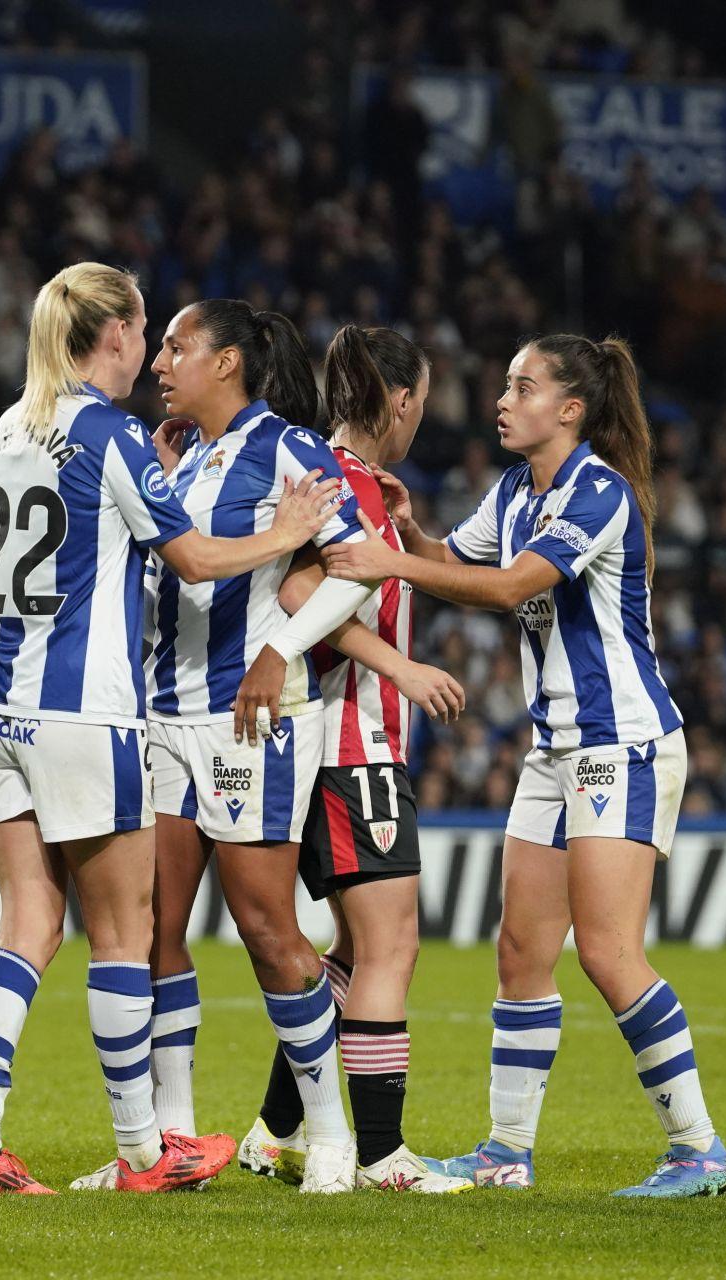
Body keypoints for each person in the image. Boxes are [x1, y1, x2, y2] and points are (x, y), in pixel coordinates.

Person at [0, 263, 344, 1194]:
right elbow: (196, 559)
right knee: (126, 934)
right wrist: (285, 535)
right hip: (87, 713)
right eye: (146, 332)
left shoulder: (10, 427)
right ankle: (142, 1155)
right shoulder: (112, 434)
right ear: (113, 335)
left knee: (26, 926)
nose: (152, 352)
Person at [322, 333, 726, 1198]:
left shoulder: (600, 492)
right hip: (555, 749)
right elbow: (459, 564)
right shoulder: (516, 491)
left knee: (612, 955)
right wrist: (413, 533)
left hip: (620, 740)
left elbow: (513, 587)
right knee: (520, 951)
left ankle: (699, 1150)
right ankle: (507, 1152)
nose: (502, 400)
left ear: (572, 409)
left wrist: (389, 558)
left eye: (523, 386)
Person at [139, 298, 442, 1196]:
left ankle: (333, 1138)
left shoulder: (292, 451)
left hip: (256, 720)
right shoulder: (186, 457)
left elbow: (352, 573)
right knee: (158, 930)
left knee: (269, 930)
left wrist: (276, 649)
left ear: (227, 362)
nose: (160, 362)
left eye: (176, 347)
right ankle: (173, 1144)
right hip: (168, 713)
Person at [234, 325, 471, 1193]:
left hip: (335, 745)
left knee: (347, 952)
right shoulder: (345, 484)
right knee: (390, 945)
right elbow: (302, 589)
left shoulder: (347, 480)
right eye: (424, 398)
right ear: (402, 400)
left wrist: (411, 532)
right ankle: (381, 1155)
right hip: (348, 742)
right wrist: (401, 665)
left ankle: (272, 1130)